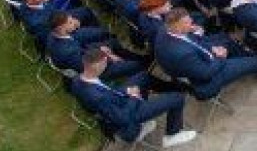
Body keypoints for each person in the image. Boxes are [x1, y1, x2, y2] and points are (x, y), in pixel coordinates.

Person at [70, 47, 198, 148]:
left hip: (118, 102)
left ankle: (172, 87)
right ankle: (172, 135)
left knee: (143, 77)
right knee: (177, 98)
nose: (109, 62)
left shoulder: (80, 78)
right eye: (106, 61)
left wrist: (126, 90)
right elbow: (123, 119)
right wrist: (133, 97)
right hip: (127, 120)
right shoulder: (97, 97)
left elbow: (107, 93)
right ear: (96, 66)